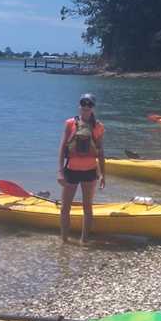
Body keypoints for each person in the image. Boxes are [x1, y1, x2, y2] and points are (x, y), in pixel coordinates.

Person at [57, 93, 105, 243]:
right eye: (83, 104)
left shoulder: (99, 126)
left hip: (90, 172)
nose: (85, 107)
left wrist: (103, 174)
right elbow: (62, 147)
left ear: (93, 107)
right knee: (65, 208)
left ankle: (83, 242)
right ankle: (64, 241)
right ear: (79, 106)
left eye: (89, 105)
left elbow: (101, 151)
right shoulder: (70, 123)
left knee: (87, 208)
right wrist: (60, 172)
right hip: (71, 171)